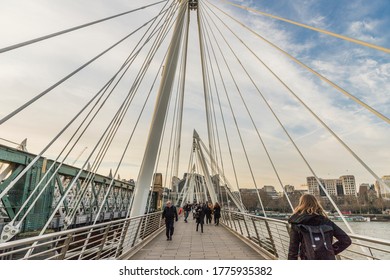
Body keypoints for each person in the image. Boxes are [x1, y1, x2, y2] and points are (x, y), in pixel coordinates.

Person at [288, 194, 352, 260]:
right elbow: (346, 240)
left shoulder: (297, 223)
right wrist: (331, 251)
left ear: (301, 204)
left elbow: (293, 250)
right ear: (316, 204)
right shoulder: (326, 221)